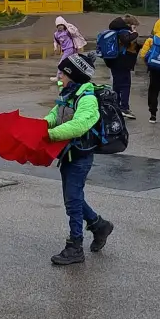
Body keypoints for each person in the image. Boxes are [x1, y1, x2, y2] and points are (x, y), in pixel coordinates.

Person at [44, 65, 114, 266]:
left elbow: (80, 125)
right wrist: (39, 127)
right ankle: (99, 225)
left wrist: (50, 135)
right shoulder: (69, 94)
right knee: (73, 198)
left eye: (63, 74)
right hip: (67, 154)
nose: (59, 77)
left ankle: (75, 246)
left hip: (81, 157)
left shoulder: (88, 99)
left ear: (73, 76)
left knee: (72, 201)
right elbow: (54, 116)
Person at [104, 15, 141, 119]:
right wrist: (134, 33)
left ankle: (116, 105)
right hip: (122, 62)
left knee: (117, 84)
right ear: (129, 24)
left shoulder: (116, 31)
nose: (135, 28)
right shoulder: (123, 31)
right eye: (134, 26)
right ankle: (124, 108)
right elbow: (126, 40)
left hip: (114, 61)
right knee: (125, 85)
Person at [50, 16, 87, 86]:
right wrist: (55, 47)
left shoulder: (67, 31)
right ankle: (72, 77)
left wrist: (68, 26)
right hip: (65, 50)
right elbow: (55, 41)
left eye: (61, 25)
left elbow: (74, 32)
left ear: (64, 25)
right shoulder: (56, 34)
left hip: (71, 49)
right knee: (72, 64)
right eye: (58, 26)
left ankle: (58, 77)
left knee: (61, 63)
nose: (60, 27)